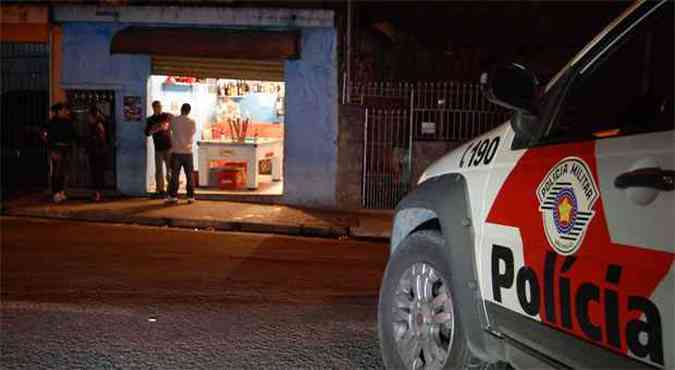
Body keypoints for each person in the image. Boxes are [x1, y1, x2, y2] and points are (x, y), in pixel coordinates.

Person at [41, 103, 77, 203]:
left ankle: (61, 192)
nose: (64, 112)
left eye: (65, 110)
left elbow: (73, 135)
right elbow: (44, 135)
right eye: (63, 110)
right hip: (56, 149)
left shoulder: (67, 121)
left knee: (62, 172)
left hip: (65, 149)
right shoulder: (51, 123)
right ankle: (56, 193)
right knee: (56, 171)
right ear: (58, 111)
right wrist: (51, 149)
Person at [167, 103, 196, 204]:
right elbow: (192, 133)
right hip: (188, 152)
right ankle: (190, 196)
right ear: (189, 111)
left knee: (174, 175)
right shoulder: (192, 122)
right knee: (189, 175)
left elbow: (168, 131)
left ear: (181, 109)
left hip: (176, 152)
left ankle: (173, 196)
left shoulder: (174, 120)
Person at [145, 101, 172, 196]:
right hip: (158, 148)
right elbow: (147, 133)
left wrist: (166, 125)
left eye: (160, 106)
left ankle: (171, 188)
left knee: (170, 168)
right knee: (159, 170)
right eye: (157, 107)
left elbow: (172, 122)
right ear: (153, 108)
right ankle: (160, 189)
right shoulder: (150, 119)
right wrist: (157, 128)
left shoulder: (166, 116)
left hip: (169, 146)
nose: (159, 108)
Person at [87, 106, 108, 202]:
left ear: (93, 117)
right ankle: (97, 194)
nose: (88, 119)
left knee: (97, 174)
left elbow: (100, 140)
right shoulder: (98, 125)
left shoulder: (98, 126)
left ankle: (98, 194)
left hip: (97, 153)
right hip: (98, 153)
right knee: (97, 174)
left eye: (90, 117)